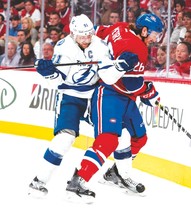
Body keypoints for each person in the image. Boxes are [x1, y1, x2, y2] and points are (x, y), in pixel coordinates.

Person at [65, 13, 164, 200]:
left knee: (139, 137)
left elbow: (97, 31)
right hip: (109, 94)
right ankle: (79, 179)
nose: (155, 39)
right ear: (144, 30)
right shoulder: (138, 47)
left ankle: (116, 174)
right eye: (155, 34)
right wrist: (149, 92)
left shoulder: (121, 26)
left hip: (126, 98)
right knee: (108, 140)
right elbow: (131, 83)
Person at [28, 14, 120, 198]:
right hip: (70, 97)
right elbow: (58, 80)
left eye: (89, 34)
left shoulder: (101, 45)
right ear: (73, 34)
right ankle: (39, 181)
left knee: (112, 134)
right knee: (64, 139)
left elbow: (109, 77)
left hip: (94, 96)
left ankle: (104, 177)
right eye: (82, 36)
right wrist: (49, 73)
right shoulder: (64, 46)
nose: (86, 39)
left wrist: (119, 67)